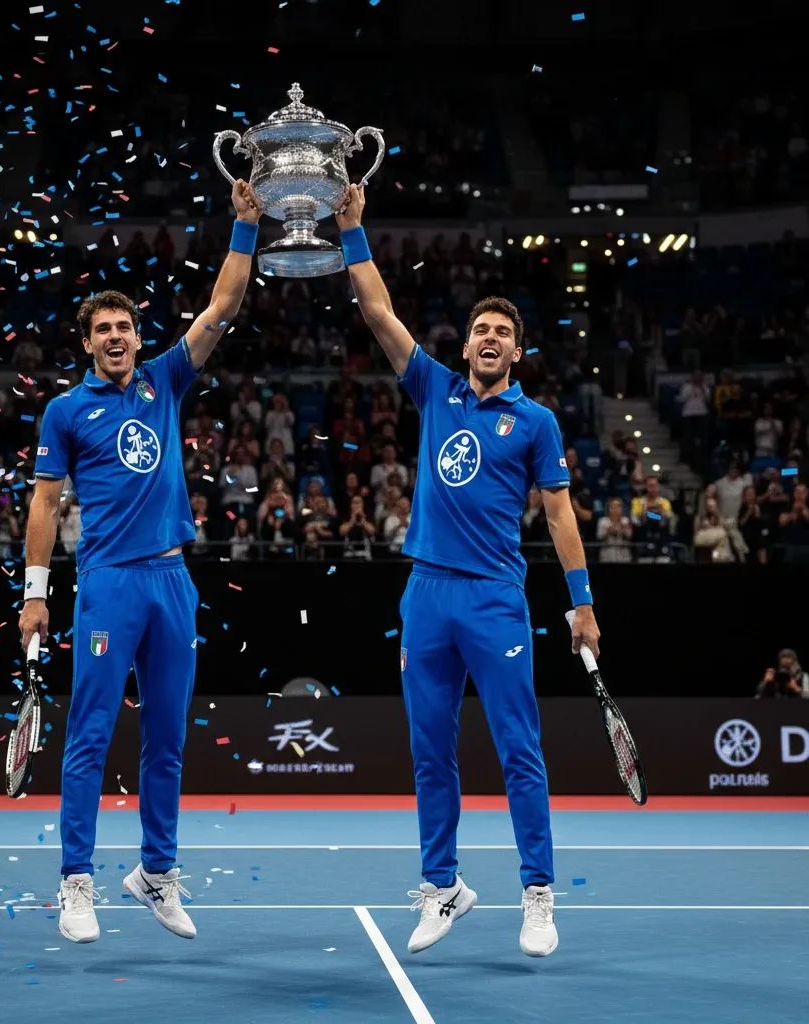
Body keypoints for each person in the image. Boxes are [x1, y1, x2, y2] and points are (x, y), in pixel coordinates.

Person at [335, 182, 601, 959]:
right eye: (480, 329)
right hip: (427, 595)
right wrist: (354, 229)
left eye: (501, 333)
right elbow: (380, 315)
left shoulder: (538, 423)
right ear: (465, 346)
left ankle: (539, 895)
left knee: (519, 747)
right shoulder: (435, 389)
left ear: (517, 351)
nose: (488, 339)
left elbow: (559, 516)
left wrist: (581, 603)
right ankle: (442, 886)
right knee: (429, 751)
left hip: (494, 599)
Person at [18, 180, 263, 945]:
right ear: (87, 342)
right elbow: (43, 507)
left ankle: (156, 873)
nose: (118, 337)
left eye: (126, 326)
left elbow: (221, 308)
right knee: (89, 734)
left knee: (167, 736)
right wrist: (34, 593)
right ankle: (76, 883)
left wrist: (245, 224)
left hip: (171, 582)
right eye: (105, 329)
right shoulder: (65, 412)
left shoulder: (164, 379)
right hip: (107, 584)